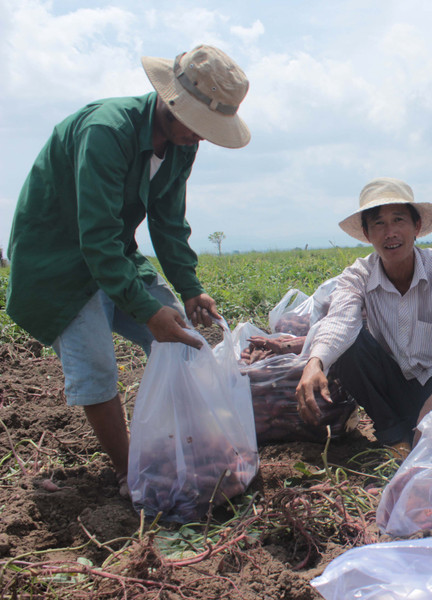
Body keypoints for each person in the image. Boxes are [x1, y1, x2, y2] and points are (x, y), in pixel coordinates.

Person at [5, 45, 251, 496]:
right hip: (59, 263)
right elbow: (94, 238)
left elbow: (168, 223)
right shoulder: (106, 131)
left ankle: (194, 447)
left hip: (112, 254)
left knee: (184, 338)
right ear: (171, 102)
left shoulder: (181, 144)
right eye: (197, 125)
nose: (200, 138)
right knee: (97, 366)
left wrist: (190, 287)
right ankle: (130, 471)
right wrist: (146, 311)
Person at [296, 177, 432, 456]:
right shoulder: (358, 276)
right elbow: (339, 321)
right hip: (394, 388)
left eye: (398, 220)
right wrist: (315, 362)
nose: (390, 232)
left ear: (416, 227)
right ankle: (396, 437)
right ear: (367, 234)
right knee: (348, 350)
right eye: (379, 224)